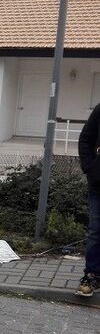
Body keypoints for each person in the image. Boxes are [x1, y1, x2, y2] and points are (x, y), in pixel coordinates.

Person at [76, 103, 100, 297]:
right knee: (96, 231)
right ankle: (91, 275)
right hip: (99, 184)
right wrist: (90, 167)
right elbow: (85, 139)